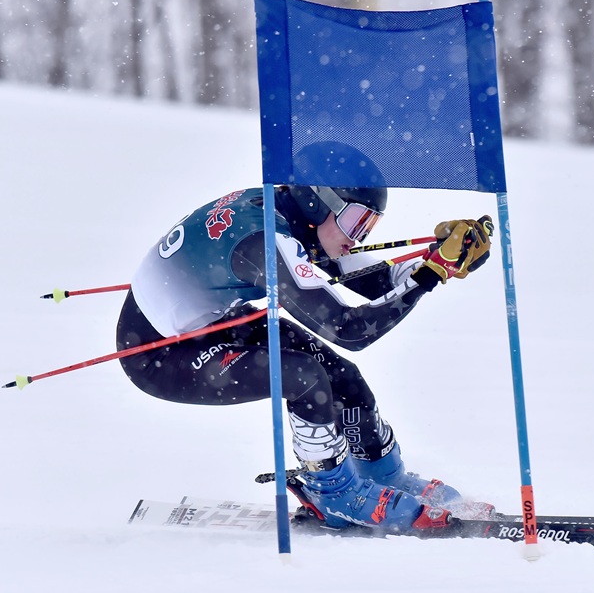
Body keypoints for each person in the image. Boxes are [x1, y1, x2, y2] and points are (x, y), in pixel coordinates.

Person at [116, 141, 493, 533]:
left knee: (341, 374)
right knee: (301, 377)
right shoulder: (264, 242)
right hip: (158, 355)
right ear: (317, 202)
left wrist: (440, 261)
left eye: (368, 226)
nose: (358, 237)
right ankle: (334, 493)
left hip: (214, 322)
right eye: (355, 223)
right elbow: (349, 329)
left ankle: (384, 474)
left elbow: (377, 280)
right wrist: (429, 276)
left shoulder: (292, 216)